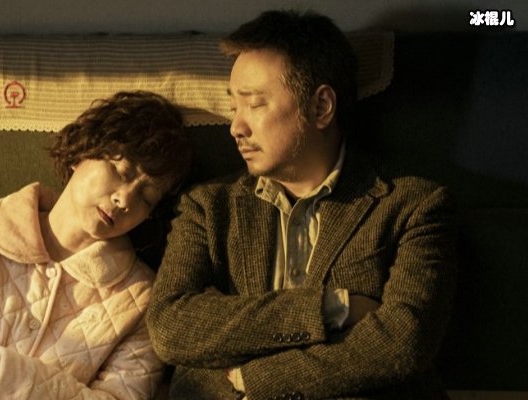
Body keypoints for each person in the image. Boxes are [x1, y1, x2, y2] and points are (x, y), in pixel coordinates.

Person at [147, 10, 457, 400]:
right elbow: (170, 326)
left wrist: (256, 377)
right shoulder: (208, 207)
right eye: (234, 107)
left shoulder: (413, 206)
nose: (236, 127)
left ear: (321, 106)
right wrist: (331, 308)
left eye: (255, 104)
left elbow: (402, 342)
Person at [0, 91, 193, 400]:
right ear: (83, 153)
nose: (124, 199)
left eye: (146, 197)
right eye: (122, 171)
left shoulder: (140, 300)